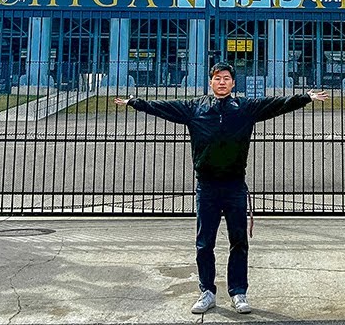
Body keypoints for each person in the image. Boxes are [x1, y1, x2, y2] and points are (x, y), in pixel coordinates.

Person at [114, 62, 328, 315]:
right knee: (205, 243)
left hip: (235, 186)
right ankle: (207, 292)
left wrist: (305, 97)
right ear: (211, 82)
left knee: (238, 242)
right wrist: (135, 102)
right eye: (217, 78)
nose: (222, 82)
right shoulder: (195, 107)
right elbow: (164, 107)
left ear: (233, 83)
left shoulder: (244, 108)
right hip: (207, 187)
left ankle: (239, 293)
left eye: (227, 78)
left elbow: (275, 105)